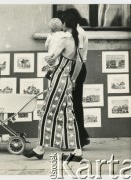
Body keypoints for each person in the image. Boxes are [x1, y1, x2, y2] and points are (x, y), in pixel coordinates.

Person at [23, 13, 85, 162]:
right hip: (67, 80)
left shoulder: (64, 40)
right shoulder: (77, 40)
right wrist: (73, 79)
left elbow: (51, 58)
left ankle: (40, 149)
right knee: (68, 115)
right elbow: (80, 62)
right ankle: (77, 151)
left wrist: (49, 62)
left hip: (59, 79)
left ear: (65, 25)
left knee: (46, 113)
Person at [62, 8, 90, 147]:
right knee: (74, 104)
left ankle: (79, 137)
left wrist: (73, 78)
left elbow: (78, 59)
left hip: (76, 70)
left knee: (74, 104)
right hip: (76, 70)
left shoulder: (78, 33)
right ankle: (81, 136)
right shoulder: (78, 31)